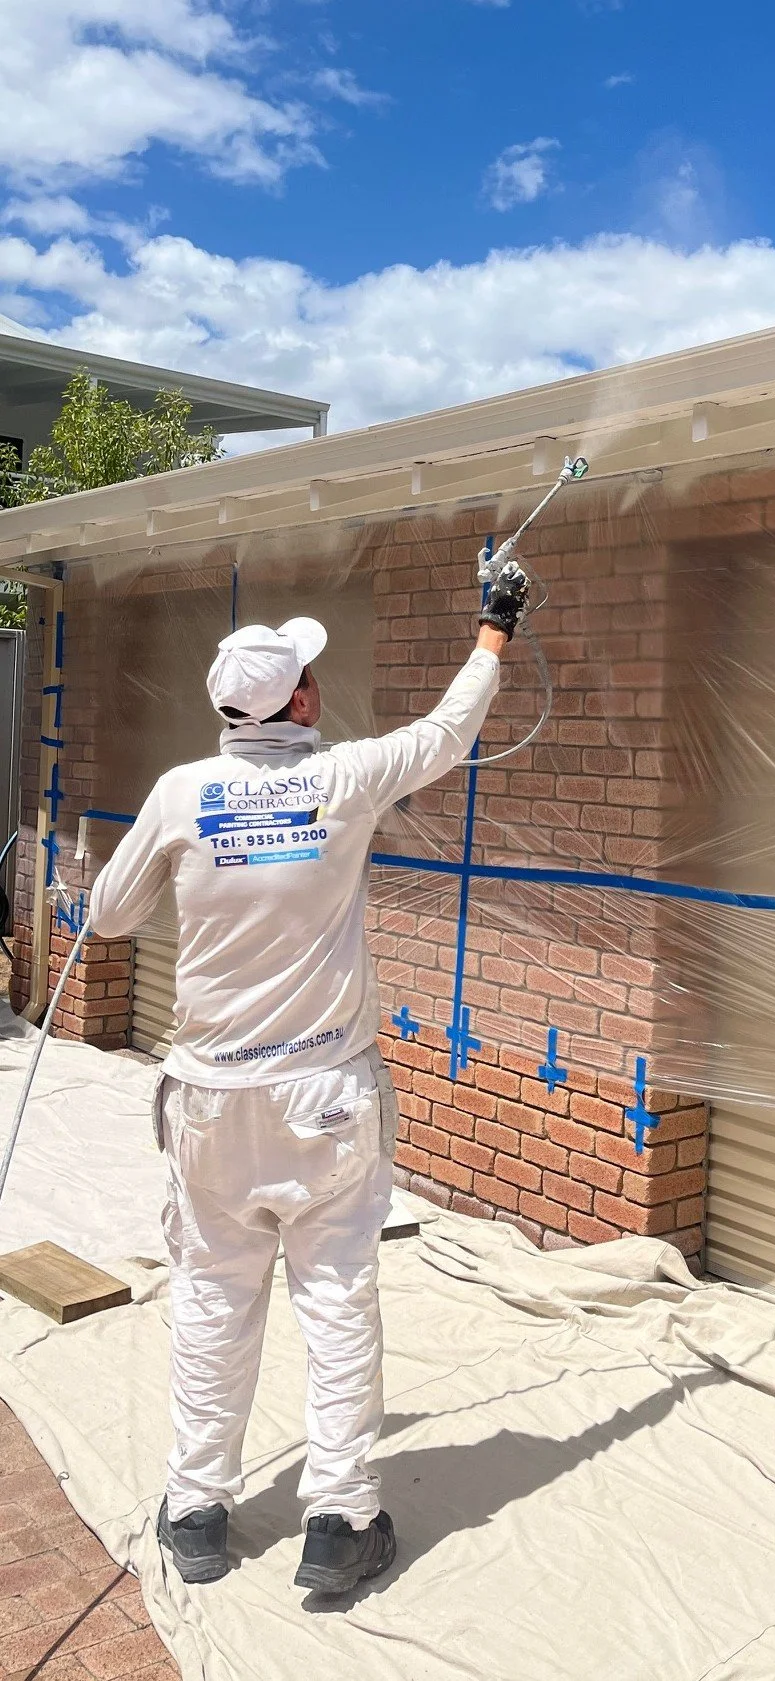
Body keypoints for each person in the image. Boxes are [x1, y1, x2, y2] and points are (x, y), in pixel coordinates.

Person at [87, 558, 530, 1593]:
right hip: (328, 1099)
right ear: (300, 700)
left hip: (210, 1103)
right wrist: (493, 627)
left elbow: (107, 916)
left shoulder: (183, 792)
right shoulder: (345, 777)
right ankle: (340, 1516)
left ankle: (197, 1507)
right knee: (335, 1300)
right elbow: (448, 733)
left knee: (212, 1297)